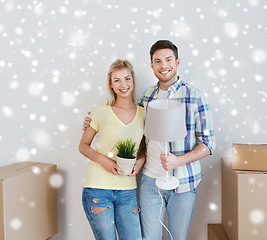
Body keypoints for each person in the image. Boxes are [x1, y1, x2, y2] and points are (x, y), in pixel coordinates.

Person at [83, 40, 216, 240]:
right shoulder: (147, 97)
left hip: (184, 183)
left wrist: (178, 161)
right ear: (152, 65)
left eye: (168, 60)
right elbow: (135, 133)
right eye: (158, 61)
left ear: (177, 62)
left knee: (177, 237)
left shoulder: (194, 96)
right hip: (150, 183)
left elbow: (208, 144)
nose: (164, 66)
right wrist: (92, 120)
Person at [79, 59, 145, 240]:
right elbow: (83, 146)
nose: (123, 85)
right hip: (97, 189)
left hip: (128, 190)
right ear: (111, 84)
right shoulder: (100, 111)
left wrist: (139, 163)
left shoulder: (144, 113)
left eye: (127, 79)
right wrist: (104, 161)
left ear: (133, 80)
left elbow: (144, 148)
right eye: (117, 80)